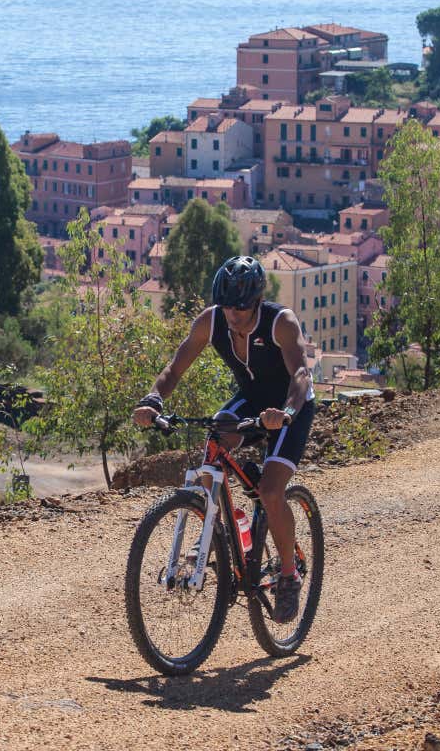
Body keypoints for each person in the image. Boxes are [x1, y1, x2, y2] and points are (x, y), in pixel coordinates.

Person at [133, 255, 315, 623]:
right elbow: (175, 367)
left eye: (242, 307)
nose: (234, 314)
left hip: (289, 407)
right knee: (211, 453)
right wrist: (153, 399)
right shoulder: (211, 320)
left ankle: (287, 575)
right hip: (251, 400)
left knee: (271, 491)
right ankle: (230, 525)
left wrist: (287, 413)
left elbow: (300, 373)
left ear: (258, 301)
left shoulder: (280, 322)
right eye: (228, 305)